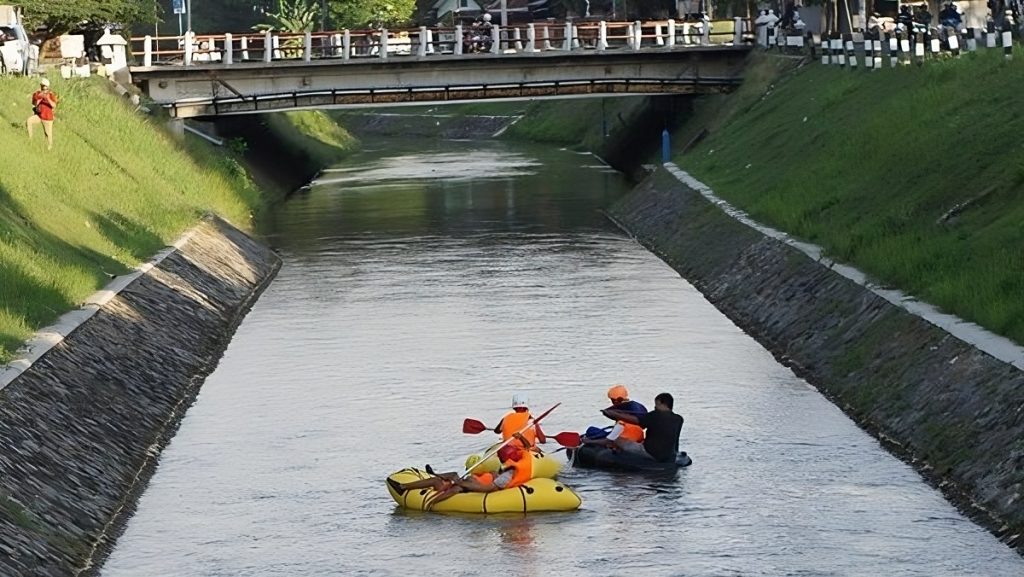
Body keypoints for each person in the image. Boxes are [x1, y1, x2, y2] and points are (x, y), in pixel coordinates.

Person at [388, 443, 534, 509]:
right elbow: (527, 449)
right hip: (471, 481)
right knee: (453, 475)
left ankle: (409, 490)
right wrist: (520, 437)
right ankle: (437, 474)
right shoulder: (512, 467)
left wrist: (463, 484)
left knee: (443, 483)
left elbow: (487, 489)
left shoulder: (506, 476)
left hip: (471, 488)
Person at [601, 392, 683, 463]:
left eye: (656, 404)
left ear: (662, 403)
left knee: (617, 439)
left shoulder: (654, 415)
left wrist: (612, 414)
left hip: (651, 453)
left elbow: (635, 420)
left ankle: (618, 454)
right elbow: (676, 440)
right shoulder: (679, 419)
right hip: (668, 456)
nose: (655, 407)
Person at [582, 384, 647, 450]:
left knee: (591, 430)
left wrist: (588, 441)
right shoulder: (639, 422)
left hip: (620, 442)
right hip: (634, 440)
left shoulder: (622, 423)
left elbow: (608, 441)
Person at [27, 78, 57, 151]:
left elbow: (54, 105)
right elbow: (34, 103)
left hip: (47, 117)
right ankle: (30, 139)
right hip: (39, 115)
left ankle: (49, 147)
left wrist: (47, 98)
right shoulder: (37, 93)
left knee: (48, 134)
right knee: (29, 121)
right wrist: (38, 99)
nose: (44, 88)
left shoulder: (51, 94)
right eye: (43, 86)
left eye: (45, 86)